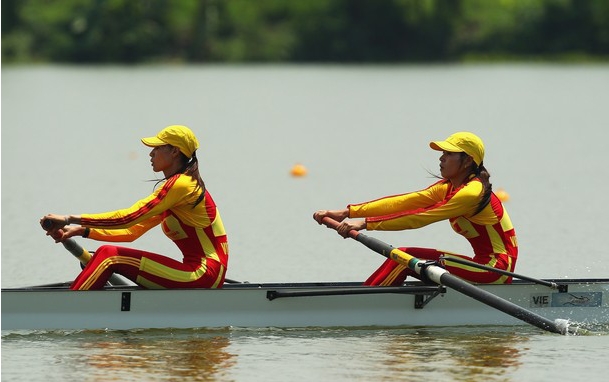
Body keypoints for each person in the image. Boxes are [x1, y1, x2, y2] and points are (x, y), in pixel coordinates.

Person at [313, 131, 517, 286]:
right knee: (403, 256)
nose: (441, 158)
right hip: (480, 263)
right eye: (442, 153)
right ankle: (371, 297)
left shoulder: (471, 193)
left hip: (497, 269)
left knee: (403, 258)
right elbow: (404, 202)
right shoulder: (448, 187)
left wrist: (364, 224)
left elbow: (421, 217)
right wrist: (348, 212)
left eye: (448, 153)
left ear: (468, 161)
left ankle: (363, 304)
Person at [40, 125, 229, 290]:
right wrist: (80, 230)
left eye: (157, 147)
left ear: (175, 151)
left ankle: (69, 309)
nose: (151, 153)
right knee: (103, 255)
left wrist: (68, 219)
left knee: (108, 256)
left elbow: (128, 217)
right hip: (201, 273)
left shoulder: (182, 185)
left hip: (205, 273)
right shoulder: (178, 190)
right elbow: (132, 231)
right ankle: (76, 305)